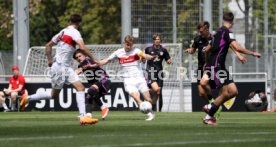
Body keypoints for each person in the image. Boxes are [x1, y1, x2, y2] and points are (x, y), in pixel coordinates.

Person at [20, 14, 98, 125]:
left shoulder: (62, 32)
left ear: (69, 21)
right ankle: (27, 98)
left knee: (80, 88)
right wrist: (93, 59)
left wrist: (49, 60)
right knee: (54, 95)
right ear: (79, 23)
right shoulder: (75, 32)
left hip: (64, 67)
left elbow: (48, 45)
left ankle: (83, 117)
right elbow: (82, 47)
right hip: (61, 67)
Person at [200, 12, 261, 125]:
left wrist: (207, 63)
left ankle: (210, 108)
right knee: (226, 92)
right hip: (217, 67)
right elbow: (236, 46)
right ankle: (210, 113)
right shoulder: (228, 32)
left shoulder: (217, 32)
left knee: (232, 91)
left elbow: (210, 49)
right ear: (233, 22)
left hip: (216, 66)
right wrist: (252, 53)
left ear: (223, 20)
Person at [99, 35, 156, 121]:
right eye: (127, 44)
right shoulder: (118, 52)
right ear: (124, 43)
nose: (129, 46)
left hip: (139, 78)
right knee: (136, 97)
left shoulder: (136, 51)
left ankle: (149, 110)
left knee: (148, 99)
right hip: (128, 80)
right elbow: (106, 60)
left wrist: (150, 57)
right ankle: (148, 113)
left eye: (130, 45)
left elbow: (144, 55)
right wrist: (96, 63)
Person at [73, 49, 110, 120]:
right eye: (76, 58)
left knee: (90, 91)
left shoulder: (89, 60)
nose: (78, 58)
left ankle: (103, 107)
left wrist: (90, 66)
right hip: (98, 83)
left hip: (104, 81)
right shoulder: (81, 65)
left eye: (79, 56)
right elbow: (79, 70)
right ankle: (88, 116)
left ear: (84, 55)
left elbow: (98, 64)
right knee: (89, 97)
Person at [143, 33, 172, 112]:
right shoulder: (148, 49)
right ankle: (147, 91)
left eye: (158, 39)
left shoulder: (163, 50)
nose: (157, 41)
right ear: (153, 41)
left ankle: (152, 106)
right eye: (156, 39)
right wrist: (143, 59)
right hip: (150, 71)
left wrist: (169, 61)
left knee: (158, 92)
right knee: (156, 89)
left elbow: (168, 59)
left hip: (160, 72)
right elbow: (143, 58)